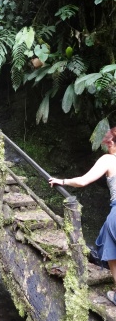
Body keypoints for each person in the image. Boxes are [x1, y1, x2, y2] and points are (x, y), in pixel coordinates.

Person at [49, 127, 116, 306]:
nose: (107, 148)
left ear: (112, 143)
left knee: (112, 251)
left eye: (108, 144)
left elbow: (83, 181)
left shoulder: (109, 159)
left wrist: (61, 181)